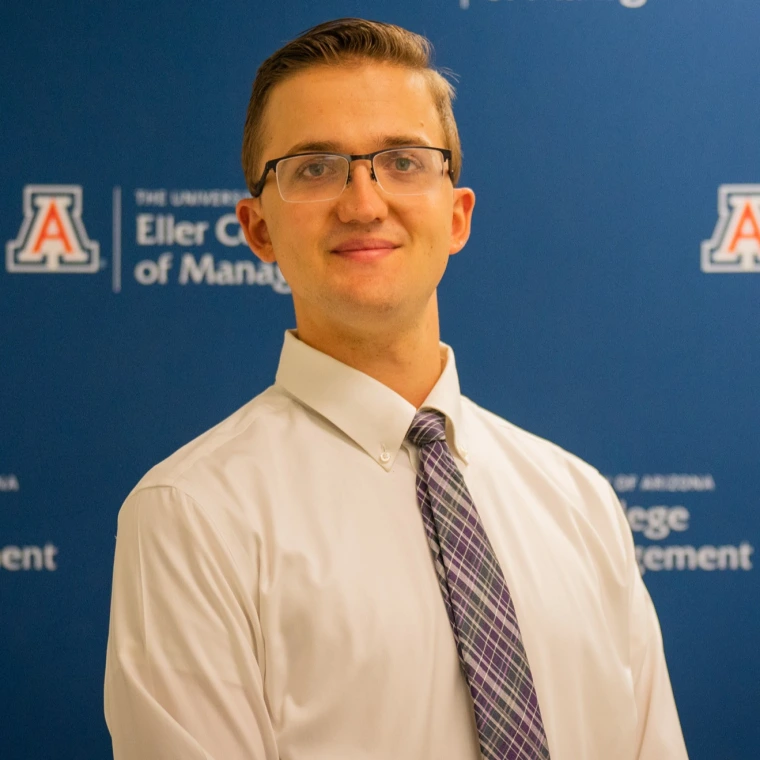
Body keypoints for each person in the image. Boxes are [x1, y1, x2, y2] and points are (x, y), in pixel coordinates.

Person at [104, 18, 689, 760]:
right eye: (315, 167)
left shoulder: (579, 500)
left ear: (457, 215)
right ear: (258, 230)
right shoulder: (192, 518)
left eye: (403, 161)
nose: (363, 201)